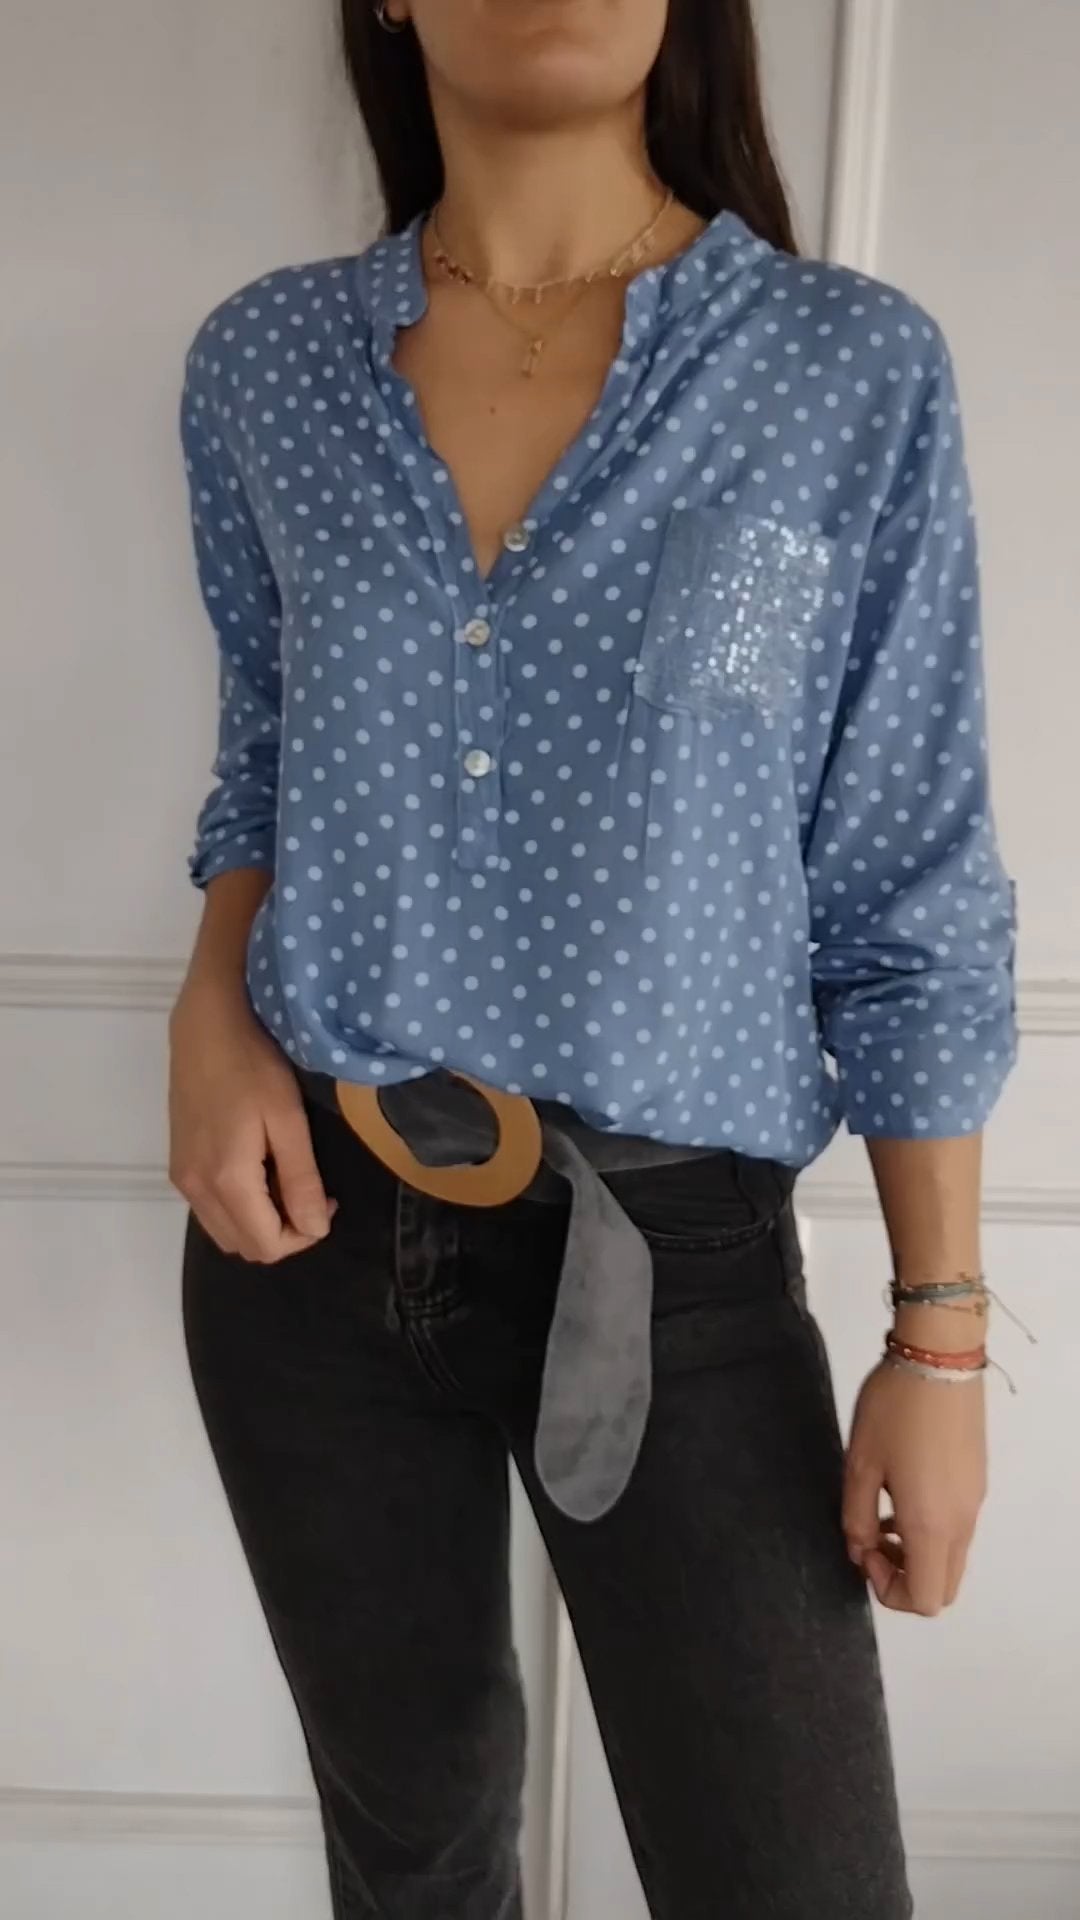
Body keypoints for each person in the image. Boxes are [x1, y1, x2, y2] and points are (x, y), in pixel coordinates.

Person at [169, 2, 1018, 1915]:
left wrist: (939, 1335)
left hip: (677, 1256)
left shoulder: (841, 371)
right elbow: (266, 760)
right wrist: (210, 1009)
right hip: (308, 1230)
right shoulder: (268, 363)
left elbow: (905, 876)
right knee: (416, 1864)